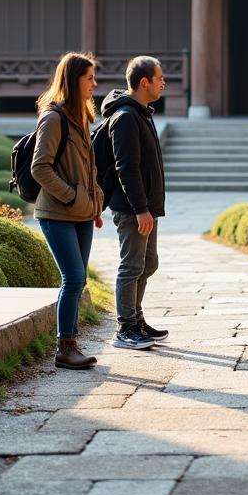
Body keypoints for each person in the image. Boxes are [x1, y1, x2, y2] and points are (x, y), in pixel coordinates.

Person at [31, 51, 104, 371]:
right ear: (73, 80)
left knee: (79, 281)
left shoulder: (82, 117)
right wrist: (73, 197)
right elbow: (40, 167)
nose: (94, 83)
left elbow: (88, 168)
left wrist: (95, 200)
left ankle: (71, 342)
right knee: (73, 278)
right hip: (56, 213)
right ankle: (65, 347)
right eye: (89, 78)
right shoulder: (54, 117)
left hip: (83, 213)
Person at [100, 55, 168, 350]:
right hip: (131, 208)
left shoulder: (141, 112)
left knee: (148, 263)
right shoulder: (126, 117)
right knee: (131, 266)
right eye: (160, 78)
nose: (164, 82)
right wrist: (141, 208)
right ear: (144, 82)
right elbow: (125, 167)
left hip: (145, 207)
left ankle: (136, 319)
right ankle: (125, 327)